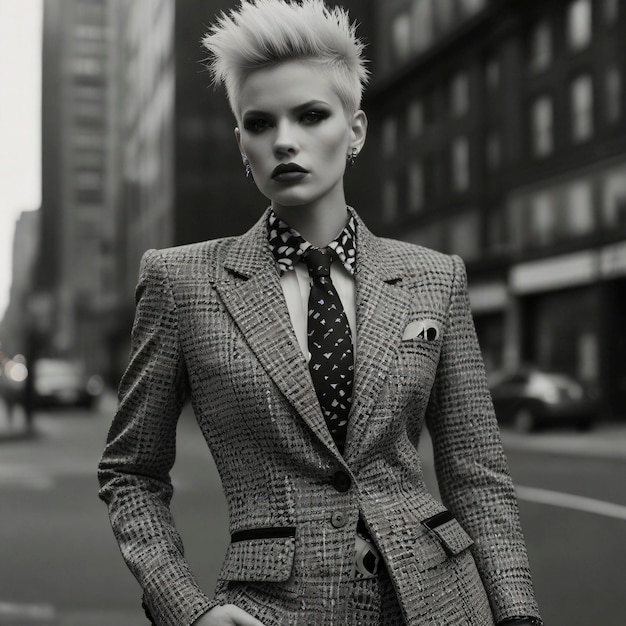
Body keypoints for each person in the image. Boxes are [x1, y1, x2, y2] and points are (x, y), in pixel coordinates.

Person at [98, 2, 543, 625]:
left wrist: (518, 615)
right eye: (260, 123)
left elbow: (478, 475)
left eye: (311, 115)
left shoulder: (435, 277)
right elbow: (131, 473)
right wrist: (187, 610)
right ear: (241, 144)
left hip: (444, 603)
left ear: (354, 130)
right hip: (274, 608)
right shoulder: (181, 281)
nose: (284, 139)